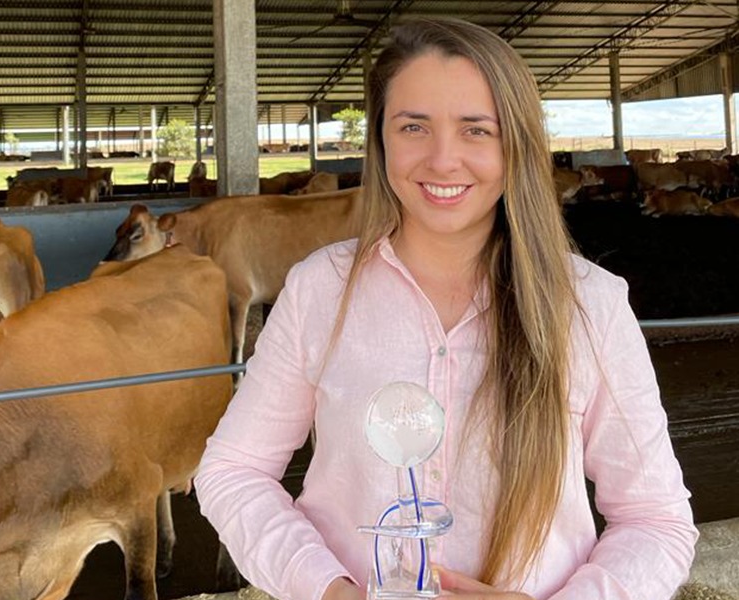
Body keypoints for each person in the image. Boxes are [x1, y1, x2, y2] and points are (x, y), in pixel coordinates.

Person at [195, 17, 697, 600]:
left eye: (476, 130)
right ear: (380, 139)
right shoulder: (318, 291)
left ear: (517, 143)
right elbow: (233, 471)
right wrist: (327, 589)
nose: (442, 160)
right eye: (413, 126)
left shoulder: (590, 305)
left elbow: (657, 520)